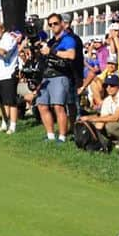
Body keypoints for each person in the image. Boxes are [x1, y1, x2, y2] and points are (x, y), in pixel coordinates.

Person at [36, 13, 78, 143]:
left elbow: (71, 55)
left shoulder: (68, 39)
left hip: (60, 75)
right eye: (50, 25)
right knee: (42, 105)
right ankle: (50, 135)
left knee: (58, 106)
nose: (53, 26)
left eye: (55, 23)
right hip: (47, 75)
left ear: (61, 24)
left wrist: (52, 52)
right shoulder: (51, 41)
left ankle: (62, 136)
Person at [78, 74, 119, 147]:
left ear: (118, 86)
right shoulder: (107, 100)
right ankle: (97, 142)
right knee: (100, 123)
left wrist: (92, 119)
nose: (108, 88)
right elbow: (103, 117)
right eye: (106, 86)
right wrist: (89, 120)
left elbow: (116, 117)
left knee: (109, 126)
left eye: (112, 85)